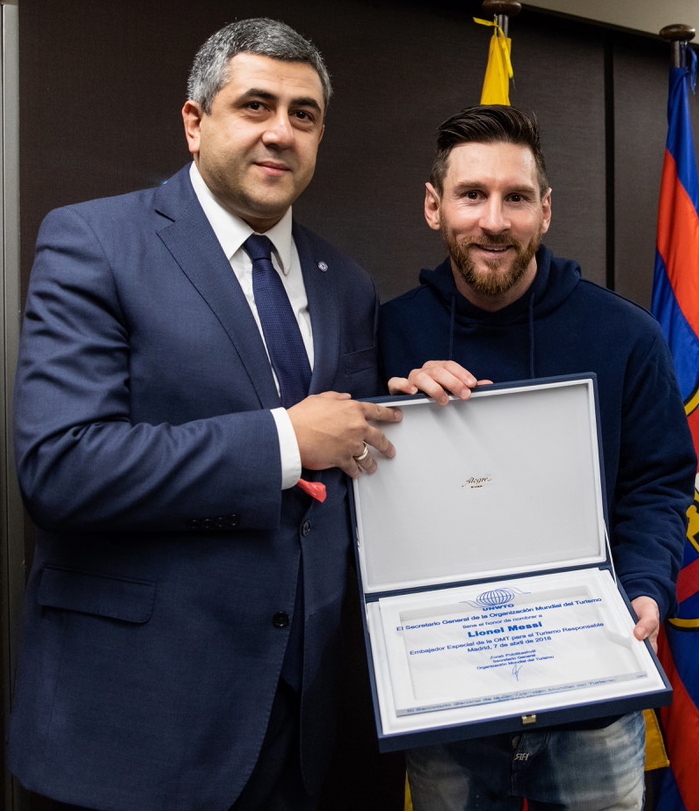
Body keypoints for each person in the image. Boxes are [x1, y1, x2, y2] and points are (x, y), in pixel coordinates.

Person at [7, 18, 402, 811]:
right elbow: (62, 466)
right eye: (255, 105)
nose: (280, 133)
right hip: (140, 722)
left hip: (306, 729)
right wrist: (285, 439)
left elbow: (354, 469)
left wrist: (415, 410)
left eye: (303, 114)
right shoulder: (95, 241)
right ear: (195, 122)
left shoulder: (345, 283)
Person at [380, 105, 696, 811]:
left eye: (515, 197)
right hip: (444, 698)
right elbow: (352, 493)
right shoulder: (385, 335)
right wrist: (388, 413)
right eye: (471, 194)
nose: (494, 219)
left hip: (591, 696)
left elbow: (656, 484)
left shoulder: (626, 336)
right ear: (434, 207)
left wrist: (645, 584)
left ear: (545, 210)